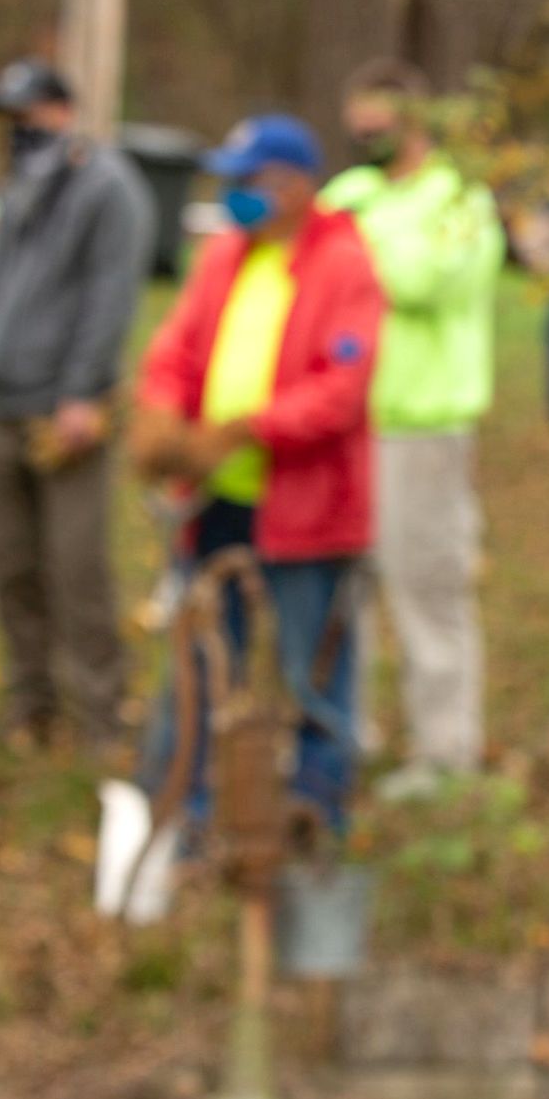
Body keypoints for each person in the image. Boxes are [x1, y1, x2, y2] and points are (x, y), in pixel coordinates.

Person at [131, 114, 384, 836]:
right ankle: (184, 810)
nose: (238, 194)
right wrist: (162, 413)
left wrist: (243, 430)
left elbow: (341, 389)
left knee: (314, 669)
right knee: (203, 657)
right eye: (233, 180)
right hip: (216, 502)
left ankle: (316, 815)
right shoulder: (225, 255)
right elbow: (176, 347)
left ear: (298, 184)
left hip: (306, 507)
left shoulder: (345, 263)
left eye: (253, 181)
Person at [319, 58, 506, 799]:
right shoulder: (350, 192)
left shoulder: (459, 199)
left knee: (427, 588)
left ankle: (445, 752)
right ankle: (344, 732)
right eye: (356, 119)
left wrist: (353, 245)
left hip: (422, 425)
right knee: (341, 589)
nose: (366, 133)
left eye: (380, 120)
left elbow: (421, 283)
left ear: (415, 120)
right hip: (343, 423)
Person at [0, 58, 153, 755]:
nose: (17, 130)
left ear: (63, 111)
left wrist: (82, 389)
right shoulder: (20, 184)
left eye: (28, 115)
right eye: (8, 118)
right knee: (11, 564)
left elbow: (110, 299)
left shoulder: (108, 189)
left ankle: (102, 714)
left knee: (77, 567)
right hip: (3, 402)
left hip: (66, 408)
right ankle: (31, 703)